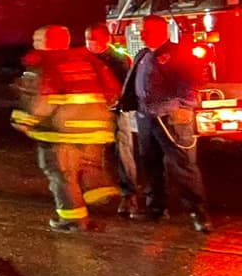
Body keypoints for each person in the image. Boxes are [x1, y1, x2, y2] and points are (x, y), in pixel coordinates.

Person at [11, 25, 121, 232]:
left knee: (62, 175)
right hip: (95, 132)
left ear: (47, 43)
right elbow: (113, 93)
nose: (34, 43)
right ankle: (102, 200)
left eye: (37, 39)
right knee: (89, 169)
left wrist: (22, 121)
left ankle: (73, 220)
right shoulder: (89, 61)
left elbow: (39, 103)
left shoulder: (43, 64)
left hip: (60, 134)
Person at [123, 15, 211, 232]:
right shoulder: (143, 54)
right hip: (146, 117)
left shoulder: (179, 53)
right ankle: (156, 208)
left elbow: (193, 83)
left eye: (145, 30)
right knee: (150, 163)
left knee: (183, 165)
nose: (141, 34)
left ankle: (198, 213)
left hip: (171, 120)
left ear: (160, 31)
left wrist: (177, 106)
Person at [85, 23, 141, 215]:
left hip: (116, 112)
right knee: (92, 154)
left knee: (123, 151)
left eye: (94, 40)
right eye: (88, 40)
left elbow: (127, 87)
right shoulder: (85, 58)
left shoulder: (120, 60)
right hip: (92, 112)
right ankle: (95, 192)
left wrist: (116, 103)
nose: (90, 44)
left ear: (106, 40)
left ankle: (129, 195)